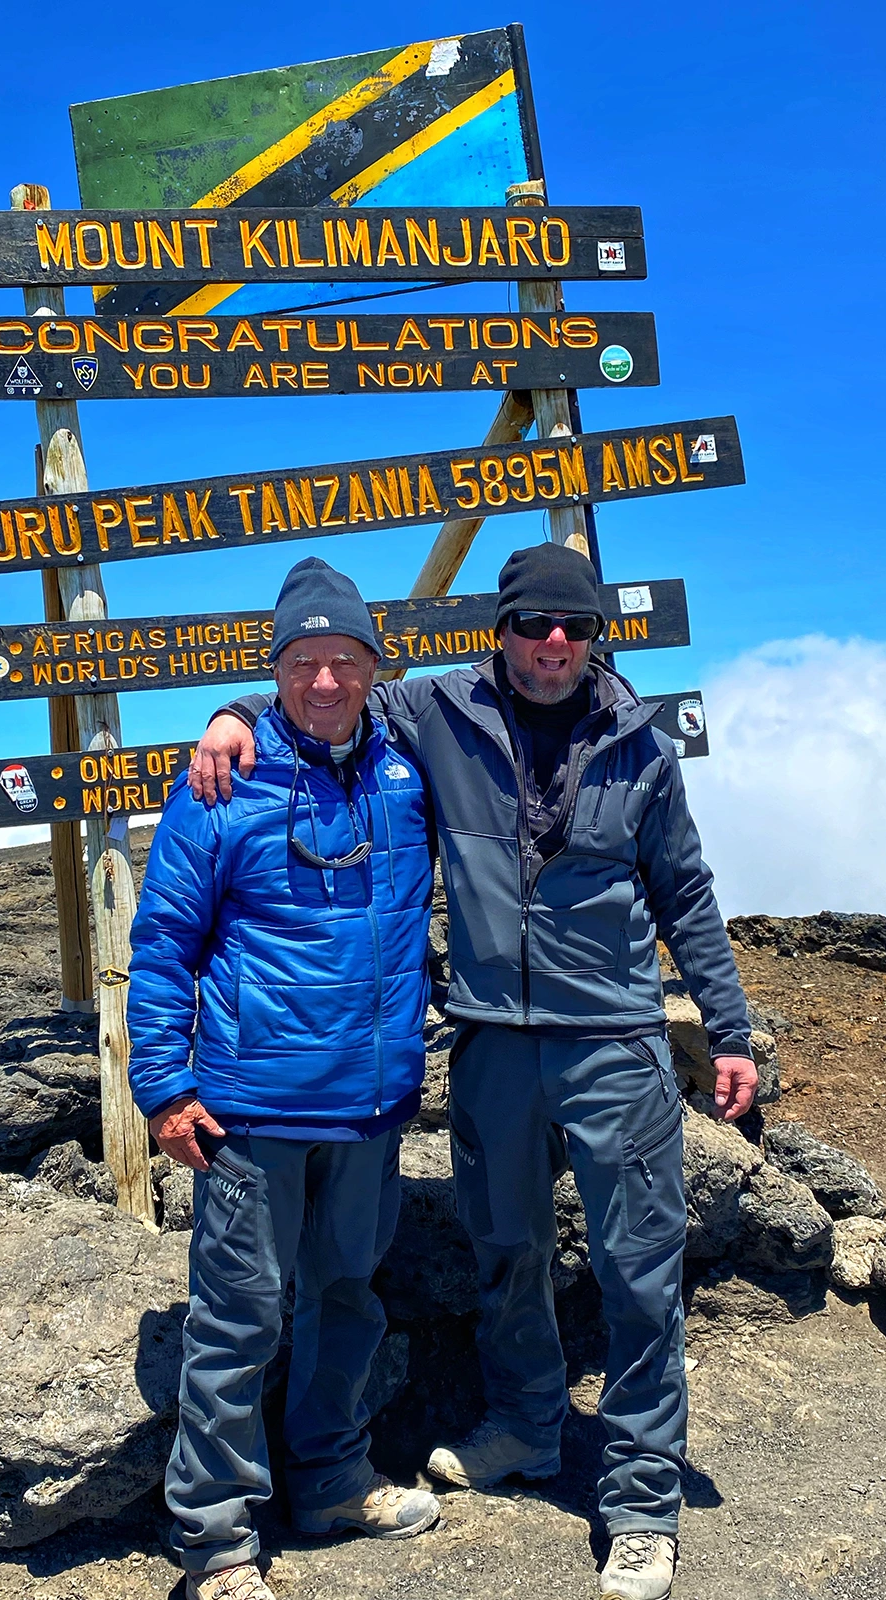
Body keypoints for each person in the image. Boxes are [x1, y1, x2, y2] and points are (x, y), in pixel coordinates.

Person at [192, 541, 759, 1600]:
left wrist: (727, 1030)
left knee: (639, 1275)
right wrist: (231, 712)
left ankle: (639, 1504)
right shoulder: (435, 713)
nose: (554, 644)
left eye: (574, 627)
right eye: (534, 624)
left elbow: (685, 890)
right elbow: (325, 691)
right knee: (507, 1251)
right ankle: (526, 1426)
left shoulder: (640, 743)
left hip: (615, 1043)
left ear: (598, 636)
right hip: (493, 1039)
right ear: (498, 629)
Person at [128, 557, 441, 1600]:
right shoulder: (223, 778)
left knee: (348, 1299)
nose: (323, 679)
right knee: (238, 1321)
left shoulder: (408, 773)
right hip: (252, 1109)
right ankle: (217, 1544)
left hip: (370, 1108)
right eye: (301, 660)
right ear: (275, 671)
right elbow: (165, 939)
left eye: (343, 658)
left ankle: (330, 1478)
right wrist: (164, 1089)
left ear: (372, 667)